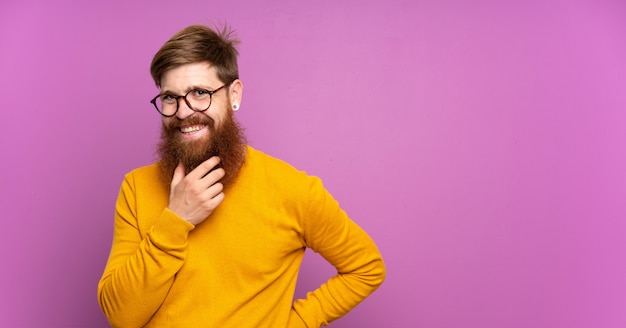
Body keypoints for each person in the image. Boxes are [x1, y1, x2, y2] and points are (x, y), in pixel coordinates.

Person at [97, 24, 386, 328]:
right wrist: (175, 221)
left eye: (200, 93)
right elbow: (122, 317)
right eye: (170, 98)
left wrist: (296, 321)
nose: (183, 112)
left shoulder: (292, 189)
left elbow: (366, 267)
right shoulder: (136, 187)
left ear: (234, 94)